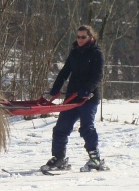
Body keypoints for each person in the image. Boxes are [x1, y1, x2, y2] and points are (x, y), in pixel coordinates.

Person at [42, 25, 106, 172]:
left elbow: (98, 76)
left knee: (86, 128)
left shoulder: (97, 53)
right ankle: (59, 158)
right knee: (60, 129)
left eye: (83, 37)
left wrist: (87, 89)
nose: (80, 40)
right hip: (72, 97)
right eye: (78, 37)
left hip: (88, 98)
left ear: (91, 38)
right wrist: (55, 88)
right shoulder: (74, 52)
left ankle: (95, 159)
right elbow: (64, 72)